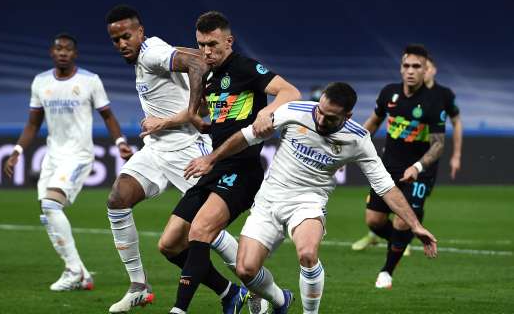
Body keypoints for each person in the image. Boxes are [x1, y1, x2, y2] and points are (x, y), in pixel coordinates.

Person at [184, 82, 438, 313]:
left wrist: (415, 226)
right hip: (269, 200)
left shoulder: (358, 139)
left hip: (308, 202)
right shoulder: (295, 111)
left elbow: (386, 188)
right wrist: (211, 158)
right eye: (320, 111)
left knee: (307, 253)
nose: (321, 119)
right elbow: (246, 137)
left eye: (330, 117)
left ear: (347, 116)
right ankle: (281, 300)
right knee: (246, 270)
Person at [103, 5, 269, 314]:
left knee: (208, 231)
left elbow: (197, 64)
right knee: (118, 199)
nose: (121, 43)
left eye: (126, 36)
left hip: (188, 150)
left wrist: (191, 113)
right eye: (115, 40)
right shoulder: (149, 51)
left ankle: (254, 287)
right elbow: (195, 55)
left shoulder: (152, 53)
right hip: (155, 149)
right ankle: (140, 286)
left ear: (140, 32)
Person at [167, 11, 301, 314]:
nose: (206, 51)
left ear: (229, 41)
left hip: (242, 170)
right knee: (170, 244)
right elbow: (207, 118)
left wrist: (269, 113)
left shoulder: (245, 67)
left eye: (213, 44)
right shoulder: (208, 75)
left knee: (200, 232)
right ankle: (232, 294)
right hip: (214, 167)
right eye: (201, 45)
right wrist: (172, 122)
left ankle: (179, 310)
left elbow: (290, 92)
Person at [3, 33, 132, 291]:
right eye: (59, 48)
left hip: (78, 155)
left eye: (68, 49)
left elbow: (107, 116)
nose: (63, 52)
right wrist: (17, 150)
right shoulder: (40, 82)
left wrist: (119, 143)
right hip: (53, 156)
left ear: (75, 54)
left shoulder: (89, 81)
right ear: (52, 52)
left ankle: (72, 271)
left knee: (51, 204)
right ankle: (82, 274)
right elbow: (33, 123)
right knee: (48, 213)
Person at [347, 44, 449, 289]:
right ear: (401, 68)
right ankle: (402, 241)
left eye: (417, 66)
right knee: (373, 220)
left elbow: (438, 146)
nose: (411, 71)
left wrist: (417, 167)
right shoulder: (388, 94)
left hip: (419, 173)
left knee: (403, 220)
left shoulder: (435, 102)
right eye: (406, 66)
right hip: (388, 166)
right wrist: (350, 142)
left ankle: (387, 271)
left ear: (426, 70)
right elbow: (373, 122)